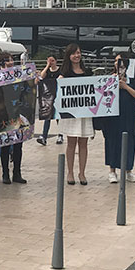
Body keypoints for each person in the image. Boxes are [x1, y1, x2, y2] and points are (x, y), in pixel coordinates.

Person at [103, 56, 135, 183]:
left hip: (129, 115)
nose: (117, 63)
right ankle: (112, 171)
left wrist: (126, 86)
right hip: (113, 116)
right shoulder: (109, 77)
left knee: (129, 141)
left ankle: (128, 170)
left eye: (120, 61)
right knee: (112, 141)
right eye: (115, 61)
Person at [58, 44, 92, 185]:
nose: (76, 55)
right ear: (69, 56)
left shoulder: (88, 71)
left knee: (83, 143)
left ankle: (82, 173)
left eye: (78, 52)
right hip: (70, 113)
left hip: (85, 113)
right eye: (73, 53)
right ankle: (70, 172)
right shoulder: (64, 72)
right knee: (71, 142)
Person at [0, 52, 27, 184]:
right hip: (3, 114)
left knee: (18, 145)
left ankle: (17, 173)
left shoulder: (18, 74)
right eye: (7, 60)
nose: (10, 62)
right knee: (5, 145)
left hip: (17, 113)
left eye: (11, 60)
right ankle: (5, 173)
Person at [36, 55, 62, 144]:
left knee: (58, 116)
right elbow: (41, 77)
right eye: (49, 61)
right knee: (48, 116)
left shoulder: (60, 70)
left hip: (58, 95)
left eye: (52, 61)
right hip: (48, 97)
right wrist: (47, 66)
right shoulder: (47, 70)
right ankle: (44, 136)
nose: (51, 62)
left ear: (56, 61)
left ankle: (60, 135)